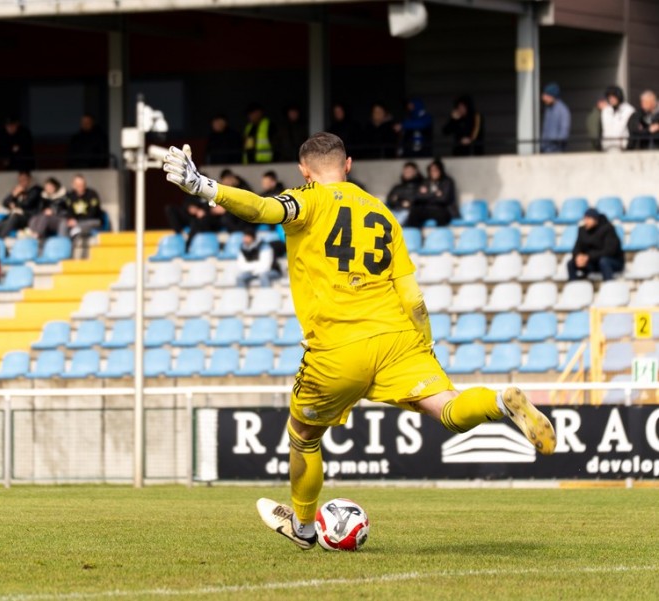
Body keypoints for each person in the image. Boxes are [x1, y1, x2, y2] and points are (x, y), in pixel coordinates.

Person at [162, 132, 556, 551]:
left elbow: (262, 209)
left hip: (338, 345)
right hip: (397, 338)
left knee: (303, 435)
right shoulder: (382, 213)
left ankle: (304, 528)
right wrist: (424, 346)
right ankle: (499, 402)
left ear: (304, 171)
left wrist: (204, 186)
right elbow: (413, 298)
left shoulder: (308, 199)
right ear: (348, 165)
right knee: (447, 406)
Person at [567, 208, 624, 281]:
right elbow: (576, 248)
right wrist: (578, 256)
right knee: (571, 263)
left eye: (588, 219)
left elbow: (610, 251)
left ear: (595, 219)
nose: (586, 221)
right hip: (592, 262)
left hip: (612, 261)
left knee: (604, 261)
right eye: (585, 218)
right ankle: (573, 285)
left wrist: (588, 257)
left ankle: (609, 284)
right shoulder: (582, 230)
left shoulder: (608, 229)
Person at [404, 159, 458, 228]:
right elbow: (417, 197)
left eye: (435, 170)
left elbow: (443, 199)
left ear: (440, 170)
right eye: (431, 171)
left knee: (441, 214)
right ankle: (413, 233)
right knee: (414, 211)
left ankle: (440, 233)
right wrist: (434, 194)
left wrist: (427, 195)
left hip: (442, 209)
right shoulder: (426, 181)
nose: (433, 173)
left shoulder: (447, 182)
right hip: (428, 208)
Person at [0, 172, 43, 239]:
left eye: (24, 180)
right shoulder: (18, 191)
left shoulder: (36, 190)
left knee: (15, 217)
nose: (22, 182)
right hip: (12, 219)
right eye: (20, 180)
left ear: (29, 179)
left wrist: (15, 205)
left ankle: (1, 237)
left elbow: (27, 203)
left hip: (27, 218)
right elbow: (5, 203)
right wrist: (13, 195)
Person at [60, 175, 102, 258]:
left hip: (92, 221)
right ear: (73, 185)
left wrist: (77, 222)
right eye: (77, 185)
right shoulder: (70, 195)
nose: (80, 187)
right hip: (76, 222)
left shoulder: (92, 194)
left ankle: (77, 254)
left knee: (77, 229)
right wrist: (70, 219)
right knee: (63, 224)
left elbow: (93, 213)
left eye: (82, 184)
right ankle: (63, 249)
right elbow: (68, 210)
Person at [601, 86, 636, 151]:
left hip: (623, 149)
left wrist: (629, 147)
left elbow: (632, 131)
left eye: (614, 97)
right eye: (609, 97)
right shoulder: (605, 111)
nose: (611, 99)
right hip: (607, 148)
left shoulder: (629, 111)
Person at [541, 83, 571, 153]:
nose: (543, 98)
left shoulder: (563, 110)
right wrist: (543, 145)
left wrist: (556, 145)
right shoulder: (548, 109)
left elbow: (564, 131)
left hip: (556, 150)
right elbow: (545, 129)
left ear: (552, 96)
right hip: (546, 149)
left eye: (546, 96)